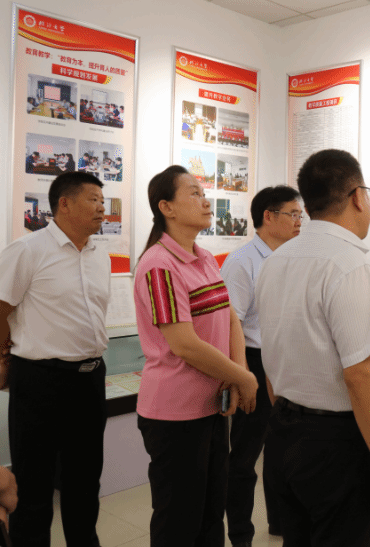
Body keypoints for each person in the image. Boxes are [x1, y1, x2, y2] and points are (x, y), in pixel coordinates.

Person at [256, 149, 370, 547]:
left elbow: (272, 352)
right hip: (338, 444)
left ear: (308, 205)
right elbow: (360, 374)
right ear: (358, 197)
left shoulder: (275, 260)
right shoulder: (347, 264)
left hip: (283, 432)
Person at [0, 171, 110, 546]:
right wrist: (5, 361)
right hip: (40, 380)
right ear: (64, 204)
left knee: (85, 481)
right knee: (34, 486)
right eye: (93, 199)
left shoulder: (99, 255)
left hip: (90, 379)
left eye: (103, 201)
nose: (102, 208)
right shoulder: (27, 250)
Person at [133, 165, 258, 547]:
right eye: (194, 193)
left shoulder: (203, 257)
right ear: (166, 207)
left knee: (210, 514)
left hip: (210, 407)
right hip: (174, 414)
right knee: (179, 521)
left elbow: (230, 318)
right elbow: (183, 344)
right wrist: (243, 377)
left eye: (203, 193)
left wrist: (237, 372)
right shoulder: (159, 263)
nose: (205, 201)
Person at [221, 186, 303, 546]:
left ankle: (279, 522)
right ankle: (240, 534)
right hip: (252, 362)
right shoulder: (242, 262)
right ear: (268, 216)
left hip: (284, 361)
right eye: (292, 214)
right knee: (244, 456)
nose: (299, 221)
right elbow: (231, 325)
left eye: (301, 215)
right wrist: (241, 376)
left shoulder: (290, 257)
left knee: (281, 451)